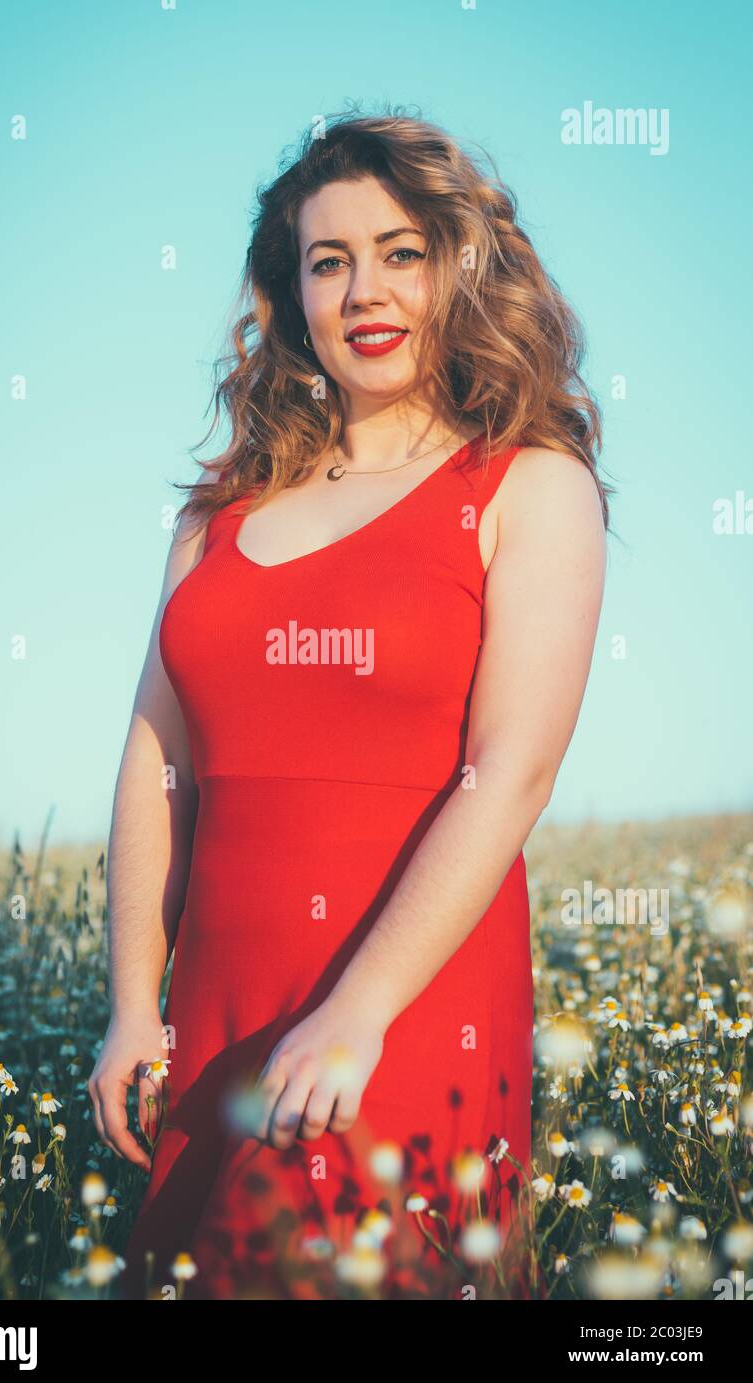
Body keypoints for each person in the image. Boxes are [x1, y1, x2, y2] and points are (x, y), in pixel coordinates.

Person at [89, 110, 609, 1300]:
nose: (365, 289)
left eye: (401, 251)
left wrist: (360, 1011)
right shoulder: (217, 514)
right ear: (295, 293)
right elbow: (152, 764)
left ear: (458, 269)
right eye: (330, 261)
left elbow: (513, 771)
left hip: (408, 1001)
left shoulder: (530, 484)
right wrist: (131, 1004)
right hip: (215, 1009)